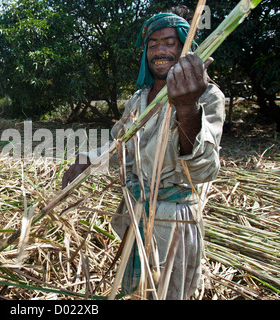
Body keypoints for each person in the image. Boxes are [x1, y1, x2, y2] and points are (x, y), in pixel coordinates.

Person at [62, 13, 225, 299]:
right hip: (135, 211)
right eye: (152, 44)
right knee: (133, 291)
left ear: (187, 49)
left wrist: (187, 109)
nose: (160, 51)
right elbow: (120, 145)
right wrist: (86, 158)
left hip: (173, 221)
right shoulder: (139, 99)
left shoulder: (207, 97)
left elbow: (202, 171)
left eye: (169, 43)